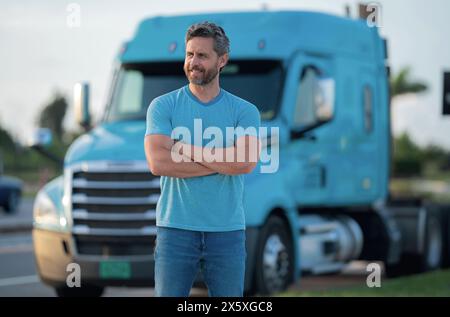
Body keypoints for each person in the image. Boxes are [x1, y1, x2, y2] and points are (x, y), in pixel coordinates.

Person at [144, 21, 261, 297]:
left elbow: (244, 163)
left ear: (222, 60)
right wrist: (222, 164)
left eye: (202, 56)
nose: (193, 62)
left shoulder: (244, 111)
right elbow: (158, 163)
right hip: (175, 230)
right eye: (189, 54)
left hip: (227, 232)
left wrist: (186, 148)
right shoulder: (163, 106)